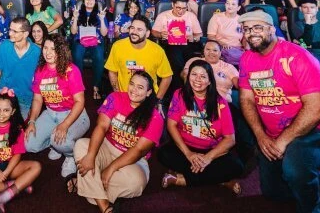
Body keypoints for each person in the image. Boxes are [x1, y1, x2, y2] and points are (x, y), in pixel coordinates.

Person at [238, 9, 320, 213]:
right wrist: (260, 136)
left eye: (258, 27)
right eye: (247, 29)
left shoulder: (298, 56)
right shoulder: (247, 59)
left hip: (314, 129)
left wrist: (282, 141)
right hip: (272, 133)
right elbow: (246, 99)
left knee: (295, 172)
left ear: (272, 29)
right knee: (273, 192)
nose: (251, 33)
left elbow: (316, 109)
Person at [70, 71, 164, 212]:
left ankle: (87, 182)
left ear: (149, 92)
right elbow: (101, 126)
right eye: (132, 84)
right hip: (107, 147)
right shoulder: (115, 98)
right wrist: (90, 156)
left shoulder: (155, 117)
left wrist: (111, 168)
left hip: (132, 160)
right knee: (81, 146)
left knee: (136, 183)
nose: (134, 90)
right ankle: (104, 205)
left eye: (140, 87)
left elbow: (138, 150)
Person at [160, 60, 242, 193]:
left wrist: (207, 158)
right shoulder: (179, 95)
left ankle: (181, 180)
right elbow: (171, 125)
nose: (197, 79)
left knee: (237, 167)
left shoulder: (220, 102)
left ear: (210, 81)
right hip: (185, 147)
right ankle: (221, 180)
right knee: (164, 154)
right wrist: (189, 154)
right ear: (188, 77)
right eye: (194, 74)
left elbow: (230, 139)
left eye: (203, 76)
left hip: (211, 150)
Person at [25, 34, 90, 178]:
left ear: (61, 51)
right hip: (50, 113)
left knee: (59, 140)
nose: (48, 52)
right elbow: (37, 99)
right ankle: (56, 143)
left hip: (74, 114)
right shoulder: (40, 71)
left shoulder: (71, 71)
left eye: (53, 49)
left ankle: (70, 155)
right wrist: (32, 121)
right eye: (45, 48)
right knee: (29, 144)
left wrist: (65, 125)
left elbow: (80, 102)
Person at [0, 89, 42, 213]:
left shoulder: (17, 129)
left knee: (36, 166)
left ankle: (6, 195)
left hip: (11, 166)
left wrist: (7, 172)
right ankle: (16, 185)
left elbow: (17, 154)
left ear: (13, 112)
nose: (1, 114)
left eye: (6, 110)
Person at [0, 17, 41, 124]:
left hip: (23, 98)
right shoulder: (5, 46)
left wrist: (33, 108)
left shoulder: (37, 52)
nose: (10, 33)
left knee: (13, 126)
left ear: (25, 34)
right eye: (10, 29)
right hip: (2, 90)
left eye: (14, 31)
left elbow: (39, 84)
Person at [104, 17, 172, 103]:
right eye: (132, 28)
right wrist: (118, 94)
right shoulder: (118, 46)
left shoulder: (157, 51)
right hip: (125, 97)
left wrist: (157, 100)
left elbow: (167, 77)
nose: (134, 32)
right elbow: (112, 71)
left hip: (148, 99)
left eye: (139, 29)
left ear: (147, 34)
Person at [70, 0, 109, 101]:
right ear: (83, 2)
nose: (89, 1)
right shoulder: (78, 13)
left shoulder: (99, 13)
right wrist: (75, 17)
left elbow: (105, 34)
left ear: (95, 2)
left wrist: (102, 19)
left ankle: (96, 86)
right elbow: (73, 32)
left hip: (96, 41)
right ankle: (79, 85)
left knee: (99, 56)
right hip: (80, 41)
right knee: (76, 54)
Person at [206, 0, 244, 65]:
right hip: (221, 48)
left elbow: (245, 38)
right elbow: (210, 36)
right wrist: (222, 43)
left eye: (233, 4)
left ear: (238, 8)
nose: (230, 6)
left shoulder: (242, 20)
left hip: (237, 50)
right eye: (227, 3)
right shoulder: (217, 17)